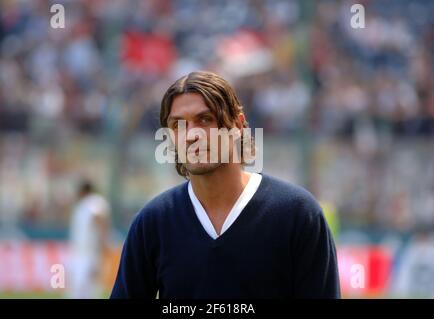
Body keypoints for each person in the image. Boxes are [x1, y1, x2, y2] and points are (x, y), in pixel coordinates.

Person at [111, 71, 340, 298]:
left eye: (205, 119)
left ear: (238, 125)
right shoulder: (152, 223)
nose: (191, 135)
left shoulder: (297, 214)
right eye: (178, 125)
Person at [68, 179, 111, 298]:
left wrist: (104, 244)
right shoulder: (82, 205)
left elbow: (99, 219)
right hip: (80, 252)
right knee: (77, 291)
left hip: (90, 252)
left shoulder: (95, 201)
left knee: (88, 290)